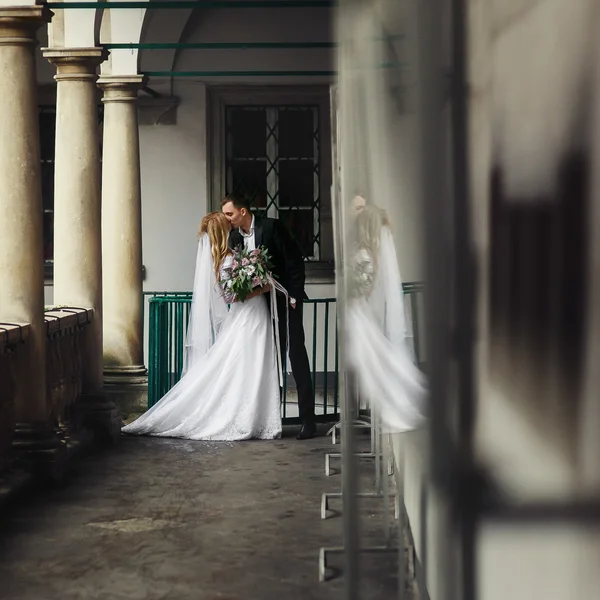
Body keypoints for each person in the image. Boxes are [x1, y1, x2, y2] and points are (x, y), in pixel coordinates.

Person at [122, 212, 282, 441]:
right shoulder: (227, 259)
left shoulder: (228, 256)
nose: (231, 225)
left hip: (252, 315)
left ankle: (256, 417)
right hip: (247, 315)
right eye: (227, 223)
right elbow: (231, 295)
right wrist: (262, 287)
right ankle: (246, 417)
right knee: (247, 363)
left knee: (250, 363)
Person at [222, 193, 317, 440]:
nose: (227, 219)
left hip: (287, 301)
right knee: (264, 361)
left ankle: (309, 421)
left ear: (243, 211)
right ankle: (268, 420)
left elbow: (294, 260)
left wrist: (294, 295)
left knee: (296, 354)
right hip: (260, 308)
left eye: (229, 213)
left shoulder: (271, 226)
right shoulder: (234, 238)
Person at [346, 203, 427, 433]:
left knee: (375, 360)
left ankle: (393, 404)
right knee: (378, 360)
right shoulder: (372, 253)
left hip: (360, 314)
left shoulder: (364, 255)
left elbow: (365, 286)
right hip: (364, 314)